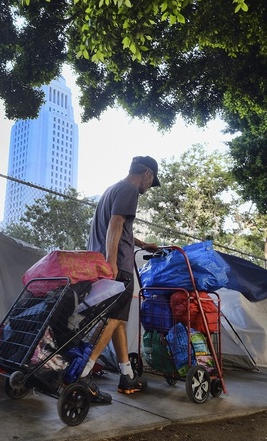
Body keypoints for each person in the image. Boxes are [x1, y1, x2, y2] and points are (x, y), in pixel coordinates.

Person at [79, 156, 161, 404]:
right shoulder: (129, 189)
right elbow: (115, 224)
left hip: (99, 262)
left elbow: (119, 227)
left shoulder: (112, 189)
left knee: (118, 321)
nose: (149, 187)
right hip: (118, 267)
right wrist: (112, 262)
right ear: (146, 173)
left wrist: (143, 244)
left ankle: (127, 376)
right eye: (151, 181)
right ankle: (81, 374)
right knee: (112, 319)